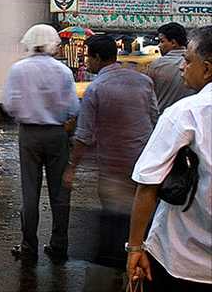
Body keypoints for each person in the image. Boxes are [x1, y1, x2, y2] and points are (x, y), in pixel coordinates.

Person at [126, 26, 211, 291]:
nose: (182, 68)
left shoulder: (187, 113)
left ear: (207, 69)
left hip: (181, 259)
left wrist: (135, 248)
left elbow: (147, 185)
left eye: (187, 61)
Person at [63, 35, 158, 268]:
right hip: (143, 165)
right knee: (141, 218)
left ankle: (119, 268)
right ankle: (139, 261)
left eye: (88, 57)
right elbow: (155, 119)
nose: (86, 62)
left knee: (115, 219)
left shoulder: (96, 88)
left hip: (113, 168)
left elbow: (84, 135)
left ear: (97, 58)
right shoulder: (143, 81)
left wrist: (72, 167)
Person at [1, 24, 80, 262]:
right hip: (57, 134)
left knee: (29, 192)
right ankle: (59, 245)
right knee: (59, 194)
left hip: (29, 135)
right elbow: (74, 109)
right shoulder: (63, 71)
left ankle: (28, 246)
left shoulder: (18, 69)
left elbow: (9, 104)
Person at [147, 22, 194, 114]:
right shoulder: (197, 64)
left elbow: (149, 96)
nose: (159, 45)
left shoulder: (157, 65)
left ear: (173, 43)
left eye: (162, 41)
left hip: (163, 118)